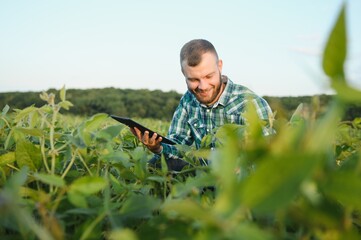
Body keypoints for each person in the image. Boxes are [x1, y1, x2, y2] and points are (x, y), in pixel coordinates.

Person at [131, 39, 274, 171]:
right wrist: (157, 148)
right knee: (152, 167)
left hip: (240, 184)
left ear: (220, 66)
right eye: (194, 79)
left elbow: (269, 158)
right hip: (202, 178)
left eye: (208, 76)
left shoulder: (250, 104)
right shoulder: (188, 101)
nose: (203, 86)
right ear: (183, 74)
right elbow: (178, 145)